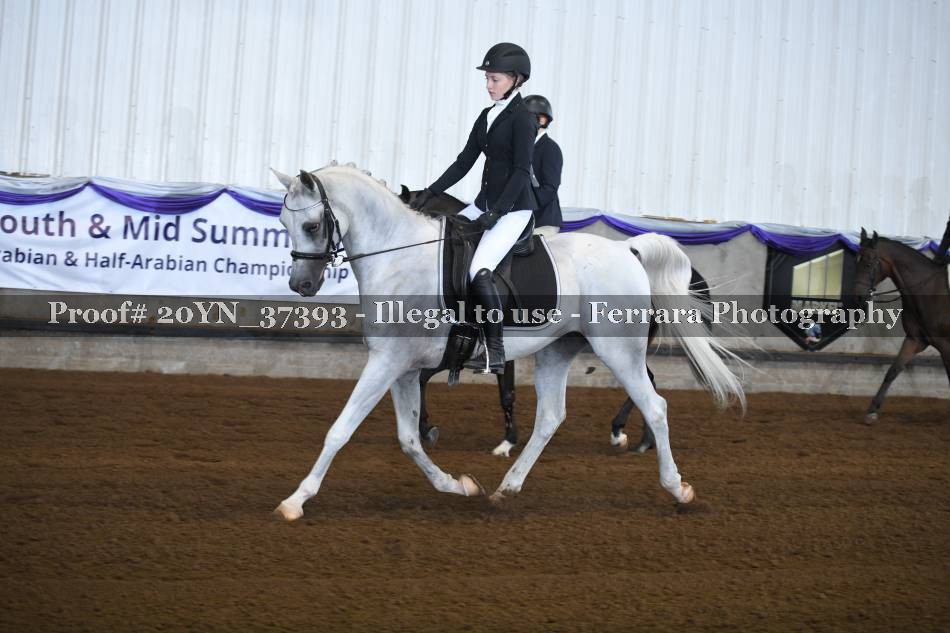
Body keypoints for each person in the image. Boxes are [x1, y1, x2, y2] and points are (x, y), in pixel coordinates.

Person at [411, 43, 538, 374]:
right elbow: (464, 161)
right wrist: (430, 192)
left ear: (516, 79)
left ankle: (495, 350)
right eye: (487, 79)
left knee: (478, 269)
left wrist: (497, 212)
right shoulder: (487, 116)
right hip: (483, 205)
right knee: (444, 244)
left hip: (513, 211)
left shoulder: (523, 120)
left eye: (495, 79)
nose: (489, 85)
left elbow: (521, 172)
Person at [523, 94, 563, 236]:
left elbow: (549, 188)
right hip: (521, 220)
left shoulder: (550, 148)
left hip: (543, 222)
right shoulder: (521, 148)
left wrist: (523, 205)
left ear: (542, 120)